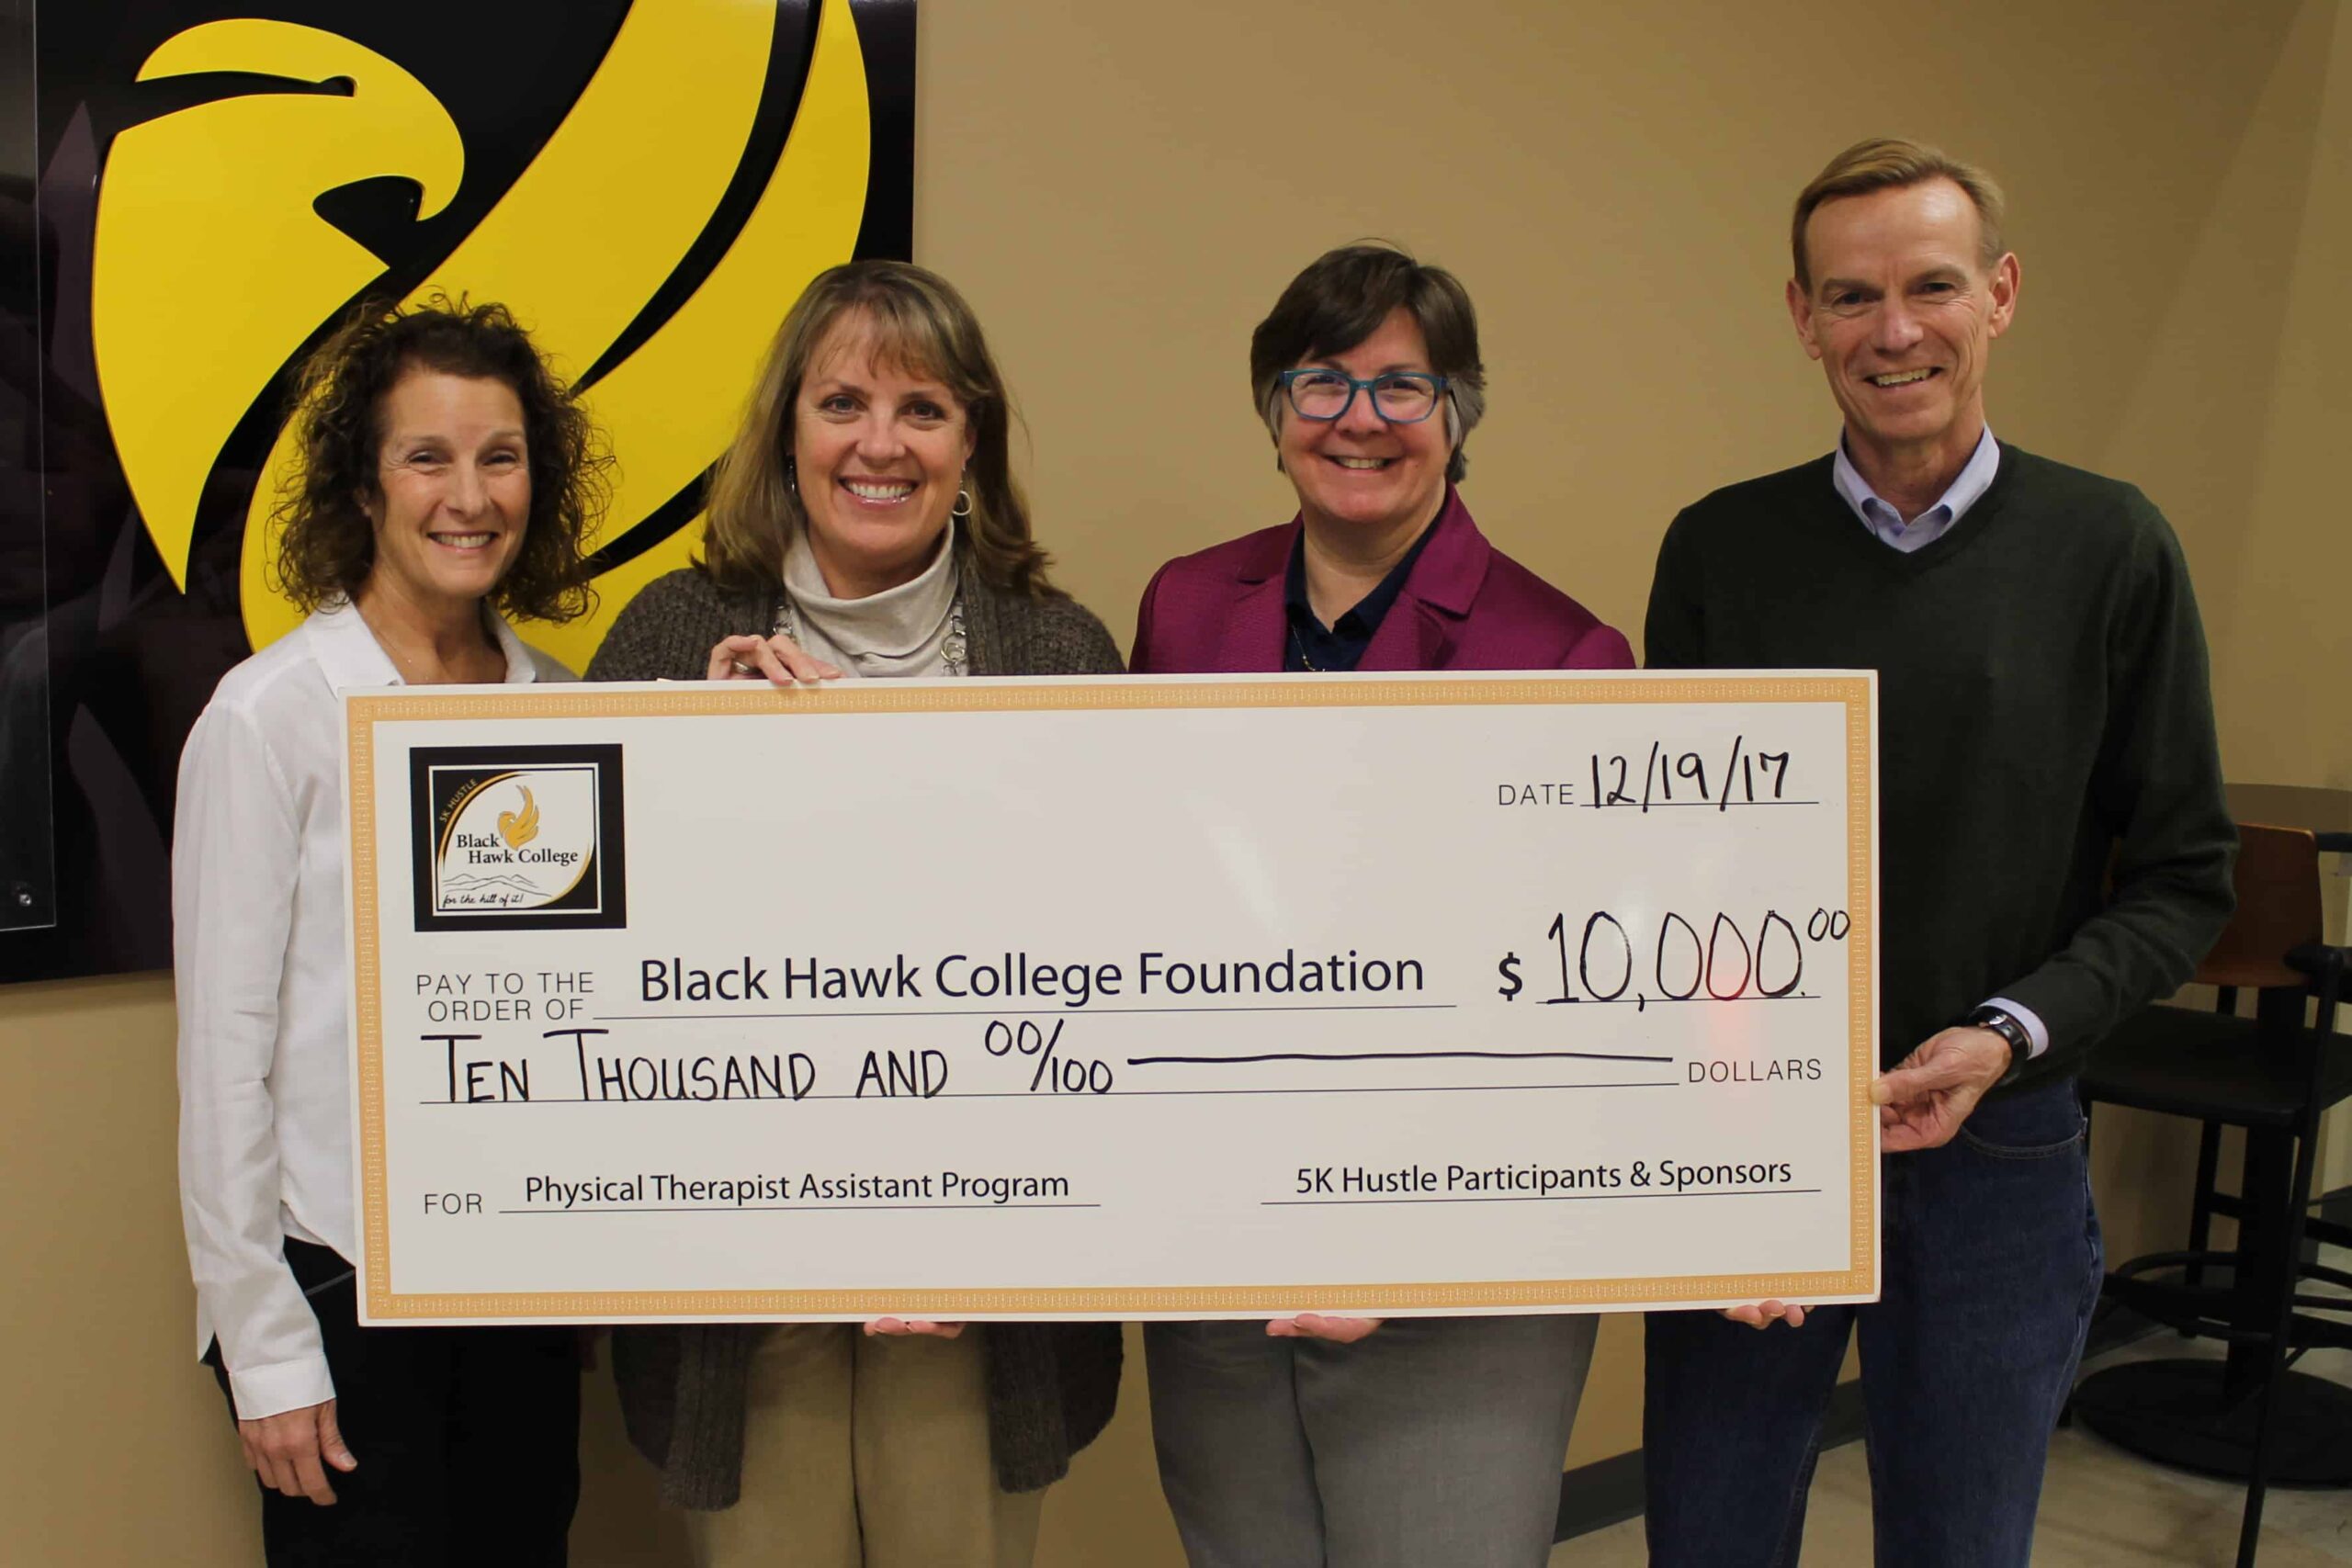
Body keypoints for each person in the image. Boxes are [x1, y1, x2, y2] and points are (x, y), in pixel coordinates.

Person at [1640, 138, 2236, 1566]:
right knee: (1710, 1537)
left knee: (1962, 1543)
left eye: (1931, 286)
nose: (1892, 330)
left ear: (2001, 295)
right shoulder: (1721, 551)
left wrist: (2008, 1034)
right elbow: (1670, 858)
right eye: (1851, 296)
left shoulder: (2112, 548)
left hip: (2000, 1144)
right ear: (1801, 317)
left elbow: (2183, 873)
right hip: (1754, 1131)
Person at [590, 259, 1125, 1568]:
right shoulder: (672, 637)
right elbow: (581, 967)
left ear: (972, 440)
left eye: (924, 408)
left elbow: (1124, 969)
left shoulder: (1061, 654)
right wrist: (681, 762)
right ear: (787, 430)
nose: (880, 444)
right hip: (746, 1282)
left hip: (979, 1284)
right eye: (842, 403)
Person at [1129, 242, 1631, 1568]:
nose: (1358, 421)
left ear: (1459, 413)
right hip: (1219, 1232)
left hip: (1455, 1273)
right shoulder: (1184, 607)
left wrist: (1406, 1233)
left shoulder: (1567, 656)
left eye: (1401, 388)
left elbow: (1566, 1011)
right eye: (1320, 383)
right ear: (1270, 406)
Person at [175, 297, 605, 1564]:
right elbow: (222, 1060)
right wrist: (262, 1348)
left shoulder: (567, 712)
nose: (467, 497)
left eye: (501, 457)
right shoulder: (271, 720)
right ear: (363, 487)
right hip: (341, 1297)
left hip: (521, 1292)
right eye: (428, 457)